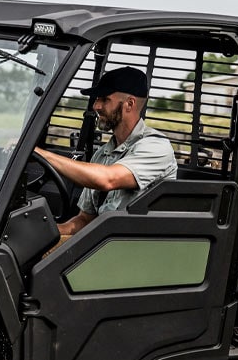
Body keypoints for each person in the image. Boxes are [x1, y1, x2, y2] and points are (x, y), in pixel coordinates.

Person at [34, 66, 177, 236]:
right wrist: (51, 233)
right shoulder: (102, 154)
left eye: (104, 99)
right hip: (103, 245)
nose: (96, 105)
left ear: (129, 104)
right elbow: (85, 220)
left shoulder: (156, 147)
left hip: (135, 248)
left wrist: (37, 152)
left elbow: (107, 179)